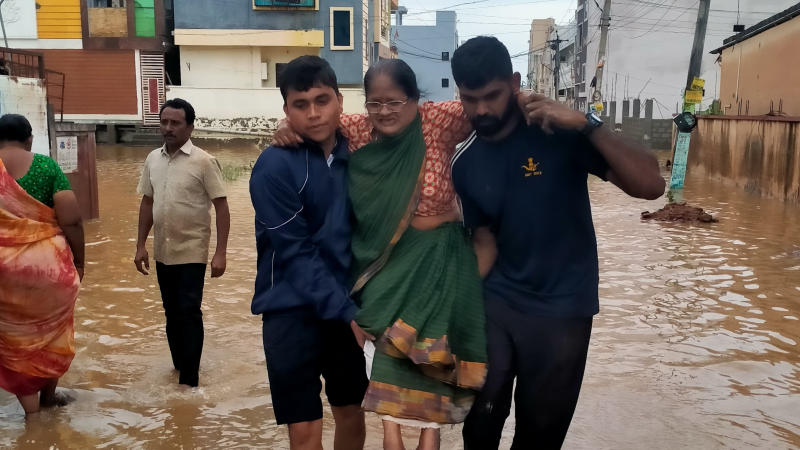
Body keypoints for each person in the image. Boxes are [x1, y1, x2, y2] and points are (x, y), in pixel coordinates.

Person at [273, 59, 510, 450]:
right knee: (390, 388)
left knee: (432, 379)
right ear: (364, 105)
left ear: (416, 100)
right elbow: (312, 121)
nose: (385, 112)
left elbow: (495, 110)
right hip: (386, 272)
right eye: (375, 103)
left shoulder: (439, 121)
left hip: (439, 269)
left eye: (395, 102)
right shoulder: (356, 128)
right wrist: (283, 127)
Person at [449, 37, 666, 449]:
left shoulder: (559, 131)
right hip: (497, 300)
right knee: (481, 415)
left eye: (491, 96)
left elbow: (651, 186)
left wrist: (587, 123)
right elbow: (483, 242)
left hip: (563, 306)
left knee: (540, 434)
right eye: (469, 98)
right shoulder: (466, 162)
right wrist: (451, 305)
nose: (481, 110)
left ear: (514, 83)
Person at [249, 56, 368, 450]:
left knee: (352, 411)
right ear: (286, 110)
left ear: (340, 101)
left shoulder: (361, 155)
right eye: (301, 105)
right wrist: (349, 313)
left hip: (345, 306)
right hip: (289, 311)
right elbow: (296, 254)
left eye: (322, 100)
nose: (314, 114)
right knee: (305, 428)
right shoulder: (273, 167)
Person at [134, 98, 230, 388]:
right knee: (170, 312)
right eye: (164, 122)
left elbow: (222, 207)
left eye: (175, 123)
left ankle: (190, 382)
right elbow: (147, 202)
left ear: (190, 127)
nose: (168, 128)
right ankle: (179, 367)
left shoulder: (204, 161)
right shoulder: (153, 159)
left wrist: (220, 253)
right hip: (164, 250)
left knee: (188, 312)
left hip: (192, 251)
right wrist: (140, 245)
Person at [0, 113, 84, 414]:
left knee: (11, 340)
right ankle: (48, 399)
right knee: (53, 334)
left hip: (3, 274)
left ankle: (31, 412)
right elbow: (72, 219)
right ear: (29, 139)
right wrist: (81, 263)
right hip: (47, 267)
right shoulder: (46, 166)